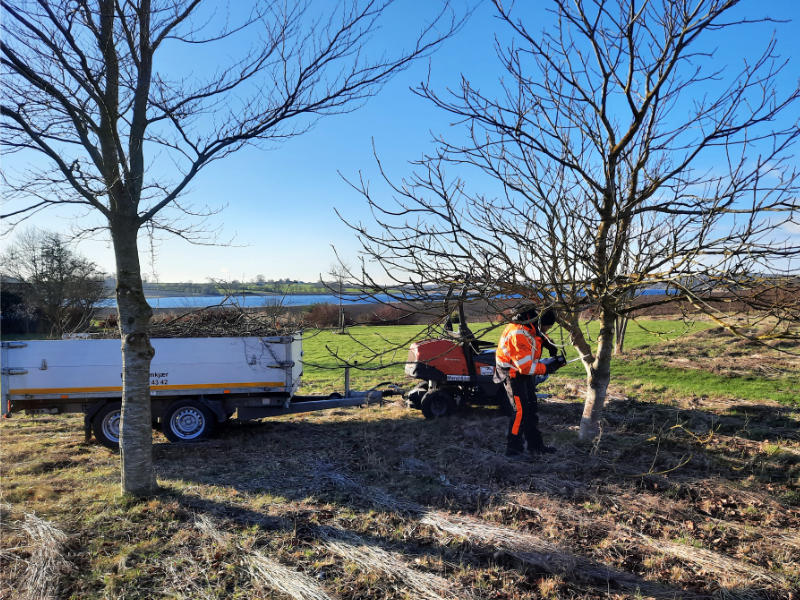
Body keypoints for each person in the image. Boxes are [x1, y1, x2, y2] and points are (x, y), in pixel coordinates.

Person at [494, 305, 565, 458]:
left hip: (522, 371)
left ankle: (536, 446)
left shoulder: (530, 323)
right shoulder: (518, 333)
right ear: (539, 323)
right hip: (512, 372)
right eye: (546, 328)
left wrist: (547, 342)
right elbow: (525, 367)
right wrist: (548, 367)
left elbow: (536, 334)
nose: (546, 331)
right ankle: (513, 450)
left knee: (531, 408)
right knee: (520, 412)